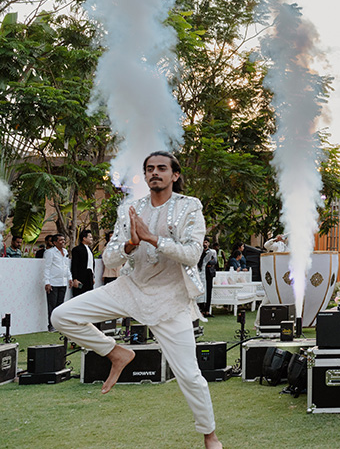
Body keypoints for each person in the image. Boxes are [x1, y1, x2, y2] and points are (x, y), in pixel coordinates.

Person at [50, 151, 221, 449]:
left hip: (170, 298)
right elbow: (111, 255)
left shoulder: (189, 206)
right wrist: (131, 243)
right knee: (61, 317)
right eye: (150, 169)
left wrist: (153, 238)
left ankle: (210, 436)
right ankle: (116, 353)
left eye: (162, 168)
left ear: (175, 175)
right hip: (131, 287)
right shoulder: (130, 208)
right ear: (145, 176)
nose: (155, 172)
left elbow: (193, 254)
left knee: (190, 376)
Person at [44, 234, 76, 331]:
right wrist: (47, 282)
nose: (63, 242)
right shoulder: (50, 252)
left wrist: (69, 278)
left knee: (60, 305)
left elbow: (66, 267)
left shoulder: (65, 251)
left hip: (63, 282)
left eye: (64, 240)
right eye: (61, 240)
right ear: (55, 242)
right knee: (52, 305)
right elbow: (47, 268)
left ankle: (59, 325)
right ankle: (51, 325)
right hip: (53, 282)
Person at [71, 229, 96, 297]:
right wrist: (75, 279)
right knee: (79, 295)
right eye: (90, 237)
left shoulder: (90, 250)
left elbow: (91, 264)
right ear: (84, 238)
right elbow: (74, 264)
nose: (91, 239)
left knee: (89, 296)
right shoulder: (77, 249)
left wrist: (92, 276)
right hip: (81, 276)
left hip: (89, 275)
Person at [198, 236, 218, 316]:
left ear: (208, 243)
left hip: (208, 272)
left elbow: (215, 261)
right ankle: (202, 309)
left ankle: (207, 310)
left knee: (209, 291)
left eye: (206, 242)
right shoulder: (199, 251)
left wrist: (209, 262)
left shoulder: (212, 252)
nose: (204, 244)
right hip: (200, 273)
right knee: (202, 291)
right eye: (203, 242)